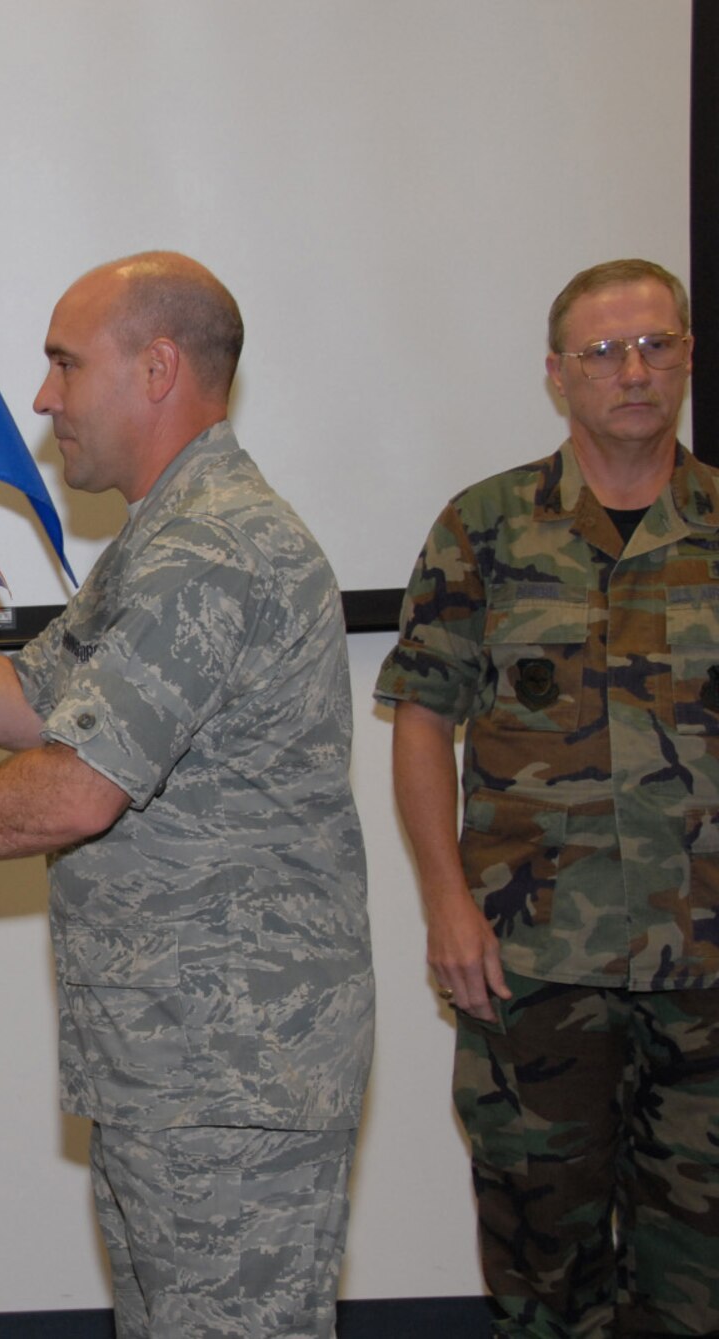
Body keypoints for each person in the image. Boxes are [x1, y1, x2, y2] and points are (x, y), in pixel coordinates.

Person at [0, 252, 375, 1338]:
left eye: (63, 363)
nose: (43, 396)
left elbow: (72, 793)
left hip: (229, 1075)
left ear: (155, 369)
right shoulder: (158, 537)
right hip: (175, 1067)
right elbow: (29, 697)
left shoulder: (211, 547)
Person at [376, 258, 719, 1337]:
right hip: (531, 967)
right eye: (603, 352)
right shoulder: (482, 528)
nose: (632, 371)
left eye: (655, 345)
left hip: (707, 967)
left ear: (685, 358)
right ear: (555, 375)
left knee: (696, 1283)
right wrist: (444, 902)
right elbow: (423, 721)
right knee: (541, 1272)